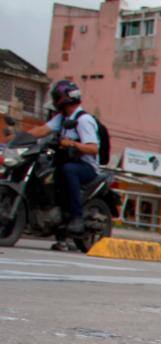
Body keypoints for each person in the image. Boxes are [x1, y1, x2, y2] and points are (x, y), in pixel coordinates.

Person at [28, 80, 101, 242]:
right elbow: (42, 130)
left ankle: (76, 216)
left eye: (56, 97)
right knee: (43, 171)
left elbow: (93, 148)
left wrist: (73, 143)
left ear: (64, 99)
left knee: (69, 169)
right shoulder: (61, 118)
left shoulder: (84, 120)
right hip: (64, 163)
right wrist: (17, 139)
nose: (54, 101)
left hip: (87, 167)